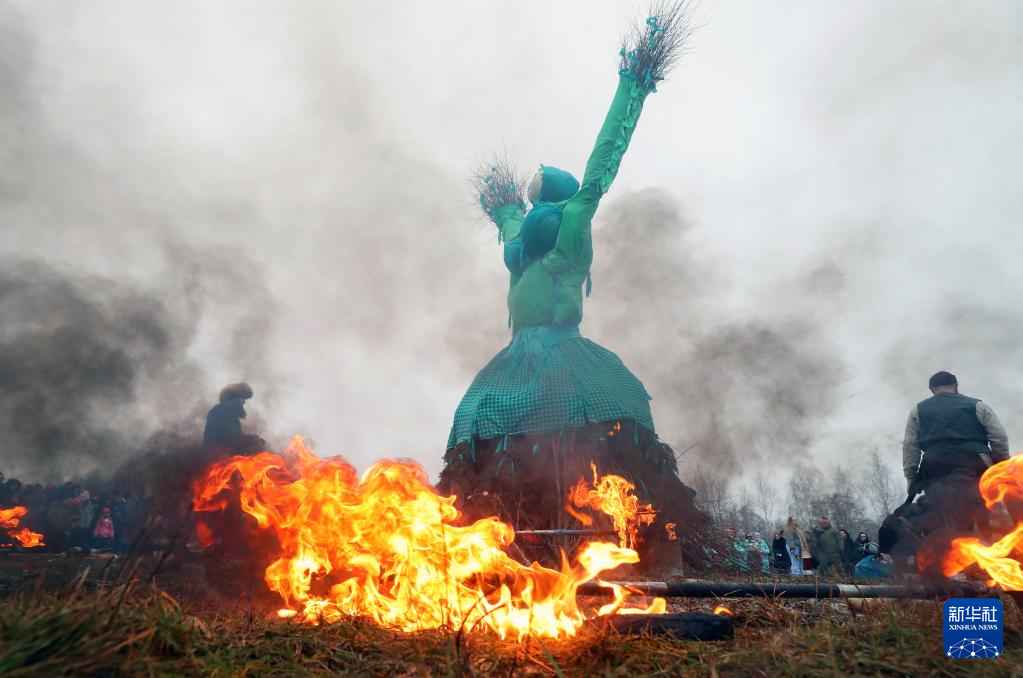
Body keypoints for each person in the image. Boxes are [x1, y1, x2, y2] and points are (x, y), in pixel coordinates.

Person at [901, 371, 1010, 531]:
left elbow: (910, 447)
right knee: (989, 509)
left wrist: (911, 478)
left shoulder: (917, 411)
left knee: (939, 514)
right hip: (975, 462)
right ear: (956, 385)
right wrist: (1001, 466)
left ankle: (948, 549)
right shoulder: (978, 406)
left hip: (934, 466)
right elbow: (999, 437)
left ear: (931, 388)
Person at [203, 383, 265, 456]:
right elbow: (230, 437)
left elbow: (236, 436)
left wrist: (251, 439)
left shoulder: (227, 412)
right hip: (221, 455)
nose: (244, 402)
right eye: (242, 398)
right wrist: (251, 440)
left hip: (226, 453)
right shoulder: (223, 411)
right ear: (234, 398)